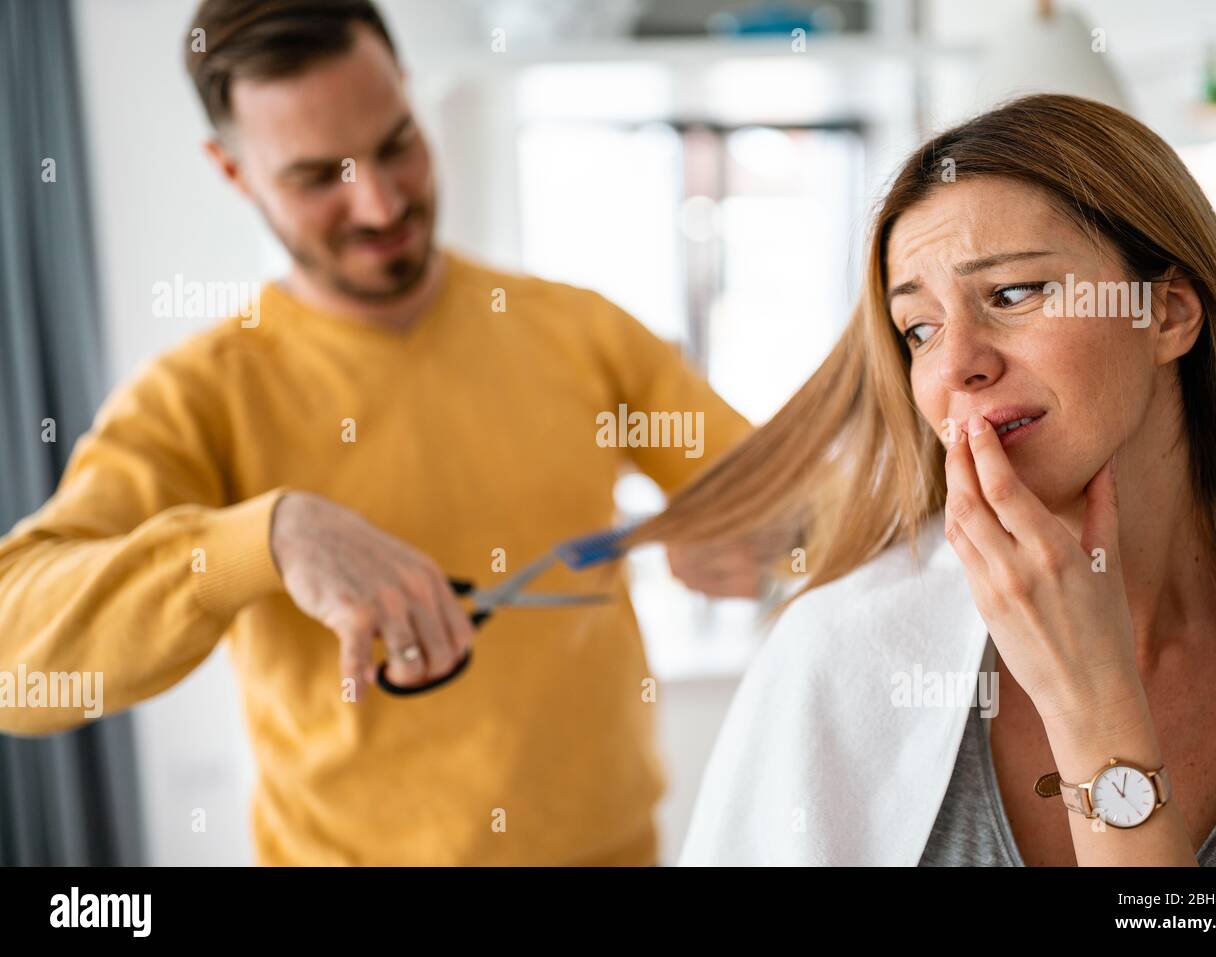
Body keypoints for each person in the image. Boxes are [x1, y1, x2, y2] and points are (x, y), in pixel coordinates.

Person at [0, 0, 767, 866]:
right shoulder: (199, 395)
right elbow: (11, 657)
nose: (379, 201)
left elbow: (789, 493)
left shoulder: (579, 330)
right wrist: (267, 536)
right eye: (318, 175)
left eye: (396, 142)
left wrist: (769, 541)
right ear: (234, 172)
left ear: (408, 93)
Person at [628, 94, 1216, 866]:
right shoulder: (833, 658)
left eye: (1014, 293)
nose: (955, 365)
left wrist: (1095, 709)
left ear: (1170, 313)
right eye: (920, 329)